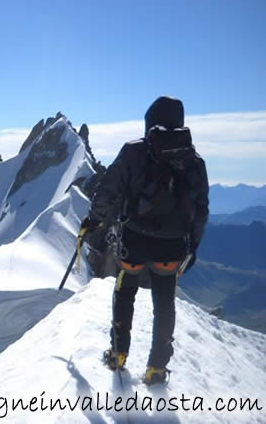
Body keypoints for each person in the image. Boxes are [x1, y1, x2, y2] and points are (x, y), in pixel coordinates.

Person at [81, 96, 209, 385]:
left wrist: (94, 222)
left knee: (125, 293)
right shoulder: (194, 161)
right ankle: (157, 368)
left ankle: (118, 354)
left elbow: (108, 191)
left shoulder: (134, 152)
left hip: (134, 242)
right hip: (172, 248)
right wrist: (194, 246)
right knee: (165, 305)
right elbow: (201, 209)